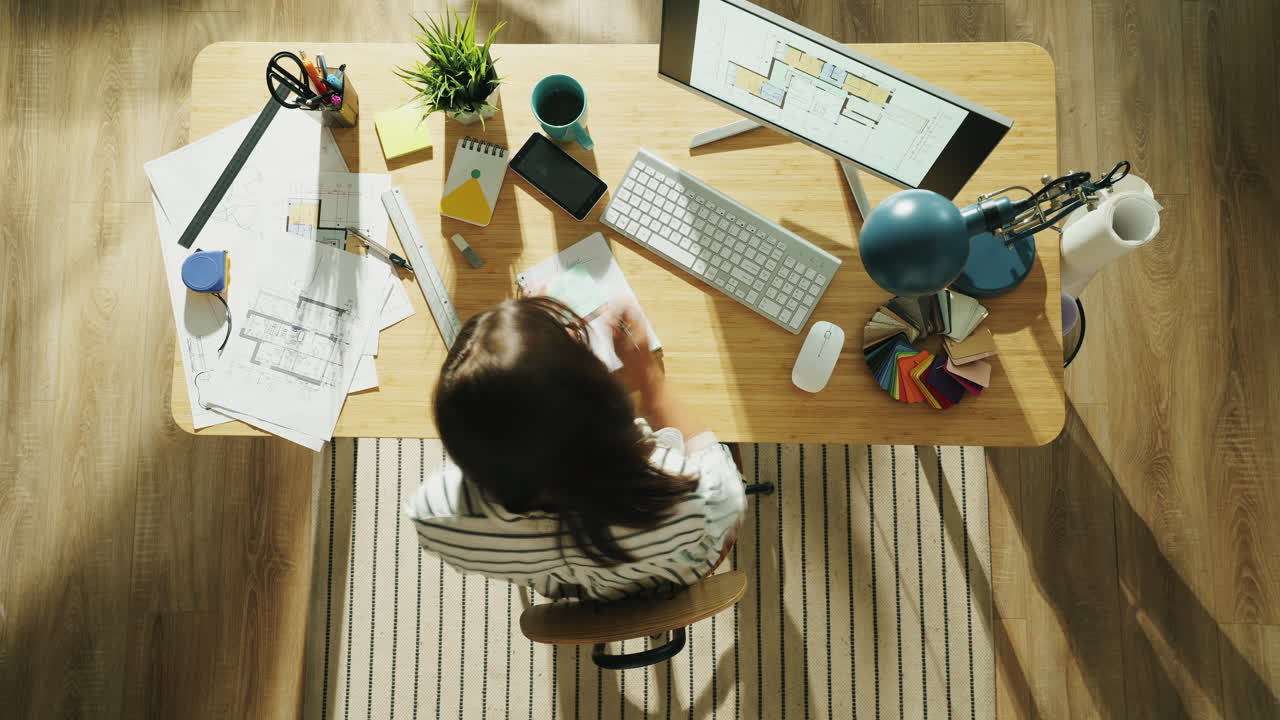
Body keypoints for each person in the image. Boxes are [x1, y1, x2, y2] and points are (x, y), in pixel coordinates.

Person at [403, 295, 745, 600]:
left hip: (582, 588)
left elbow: (516, 435)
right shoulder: (683, 493)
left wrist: (526, 363)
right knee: (723, 437)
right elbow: (729, 499)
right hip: (676, 570)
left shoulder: (434, 515)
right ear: (605, 409)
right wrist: (650, 380)